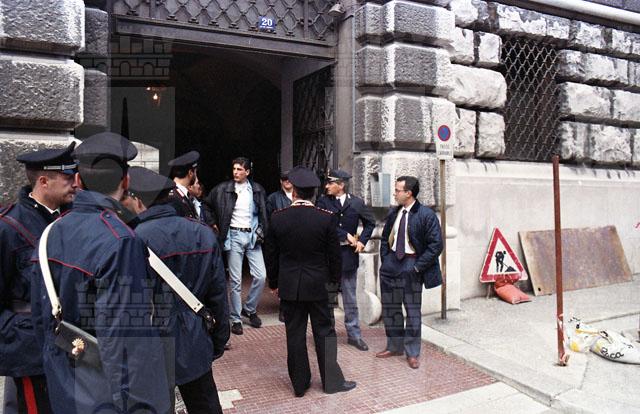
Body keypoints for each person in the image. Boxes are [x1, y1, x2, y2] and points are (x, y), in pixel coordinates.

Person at [30, 132, 172, 414]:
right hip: (105, 397)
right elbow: (126, 342)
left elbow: (39, 319)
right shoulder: (121, 240)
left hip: (63, 385)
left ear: (78, 180)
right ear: (126, 181)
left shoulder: (49, 232)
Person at [126, 167, 229, 414]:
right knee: (205, 404)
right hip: (196, 335)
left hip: (153, 342)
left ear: (138, 201)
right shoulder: (202, 233)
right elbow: (218, 295)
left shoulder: (132, 239)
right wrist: (218, 340)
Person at [264, 166, 356, 397]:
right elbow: (334, 257)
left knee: (294, 335)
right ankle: (332, 382)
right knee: (325, 332)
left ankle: (299, 384)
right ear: (313, 194)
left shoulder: (278, 218)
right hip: (319, 285)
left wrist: (274, 282)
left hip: (290, 285)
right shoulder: (326, 218)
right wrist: (334, 283)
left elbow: (271, 255)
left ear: (293, 192)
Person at [0, 143, 78, 414]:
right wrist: (23, 337)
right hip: (32, 350)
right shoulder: (9, 228)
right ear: (44, 181)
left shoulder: (73, 219)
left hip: (73, 345)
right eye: (67, 177)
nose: (75, 183)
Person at [377, 176, 443, 369]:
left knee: (412, 310)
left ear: (409, 193)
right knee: (390, 307)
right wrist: (385, 259)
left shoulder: (426, 215)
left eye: (398, 190)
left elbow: (436, 245)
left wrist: (417, 267)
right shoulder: (394, 212)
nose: (395, 194)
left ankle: (412, 352)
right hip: (391, 264)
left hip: (412, 265)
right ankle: (394, 346)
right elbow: (385, 238)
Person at [203, 157, 268, 335]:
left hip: (253, 236)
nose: (236, 172)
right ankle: (236, 318)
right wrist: (213, 223)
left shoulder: (257, 189)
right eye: (234, 169)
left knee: (261, 276)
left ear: (247, 172)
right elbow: (206, 205)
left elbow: (264, 212)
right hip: (234, 236)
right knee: (236, 280)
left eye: (239, 169)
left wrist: (262, 229)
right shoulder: (222, 189)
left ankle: (249, 308)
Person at [317, 169, 375, 351]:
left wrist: (362, 241)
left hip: (348, 256)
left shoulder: (356, 202)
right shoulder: (323, 202)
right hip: (329, 256)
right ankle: (328, 333)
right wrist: (345, 235)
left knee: (350, 298)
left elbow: (370, 223)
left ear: (341, 185)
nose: (326, 186)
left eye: (330, 183)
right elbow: (323, 224)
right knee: (328, 297)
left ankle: (354, 335)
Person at [265, 170, 293, 322]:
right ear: (280, 181)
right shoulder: (273, 198)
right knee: (283, 274)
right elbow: (269, 220)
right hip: (280, 240)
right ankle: (284, 307)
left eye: (289, 178)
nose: (287, 181)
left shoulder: (299, 195)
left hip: (297, 238)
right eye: (284, 179)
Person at [167, 150, 200, 220]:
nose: (197, 177)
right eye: (195, 172)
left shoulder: (181, 194)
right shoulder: (173, 197)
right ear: (190, 173)